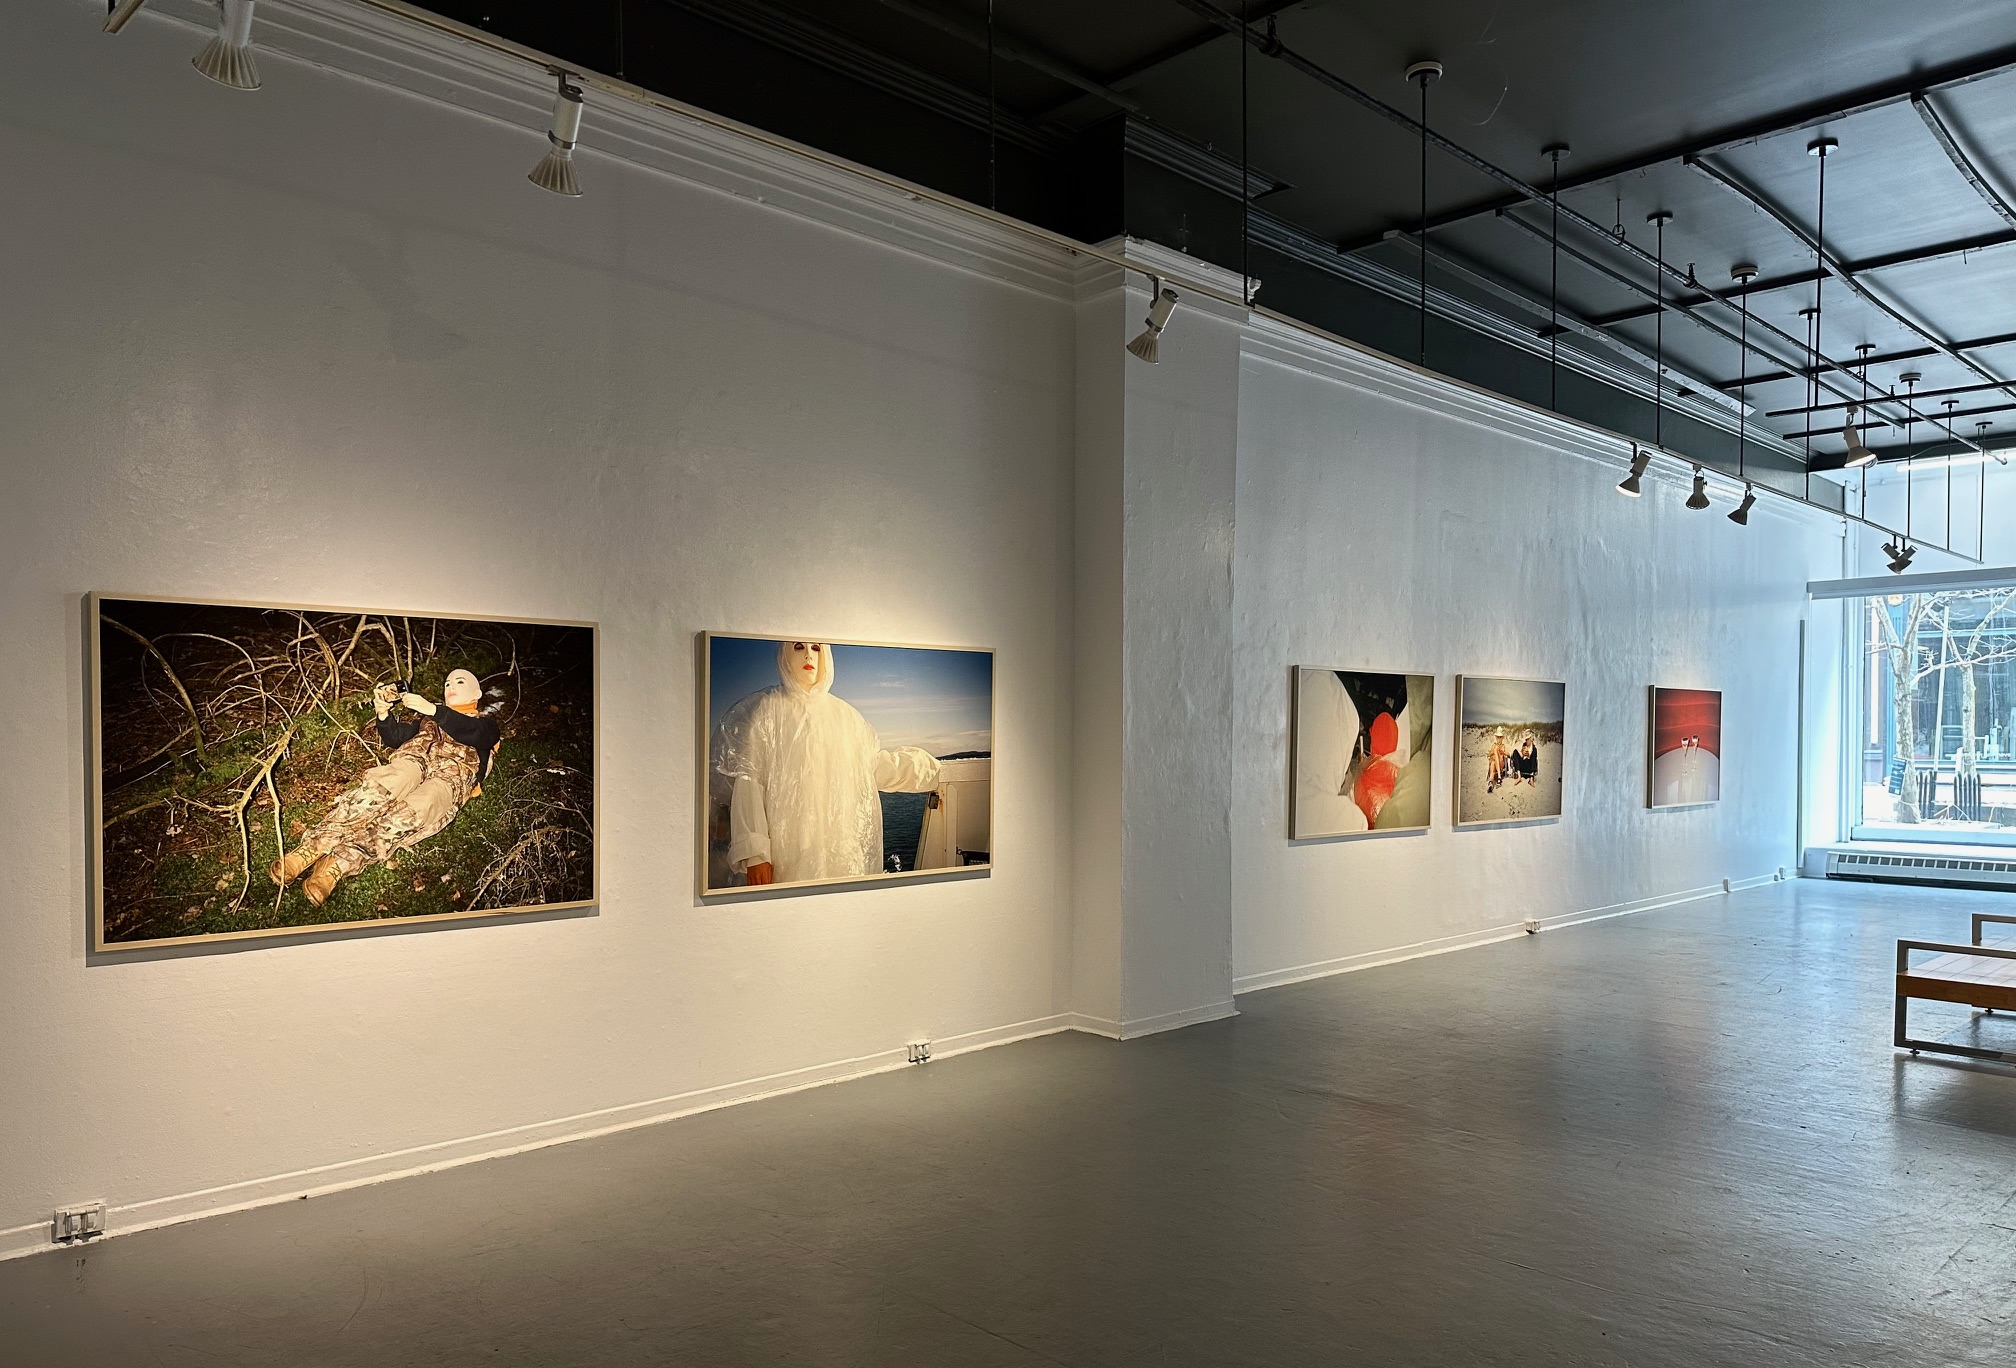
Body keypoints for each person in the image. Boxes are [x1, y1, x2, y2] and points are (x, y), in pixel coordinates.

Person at [714, 642, 942, 886]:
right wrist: (755, 855)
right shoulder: (769, 711)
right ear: (784, 655)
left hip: (842, 851)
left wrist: (924, 769)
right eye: (798, 647)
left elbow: (870, 768)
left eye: (816, 648)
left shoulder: (846, 716)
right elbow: (750, 781)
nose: (808, 656)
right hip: (788, 853)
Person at [270, 669, 500, 907]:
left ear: (477, 693)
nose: (450, 686)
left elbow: (475, 734)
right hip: (415, 763)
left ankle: (337, 864)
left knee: (417, 808)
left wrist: (434, 710)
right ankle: (311, 849)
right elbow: (395, 737)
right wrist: (383, 714)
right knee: (392, 781)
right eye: (447, 683)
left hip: (447, 779)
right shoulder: (428, 720)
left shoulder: (486, 726)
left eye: (459, 682)